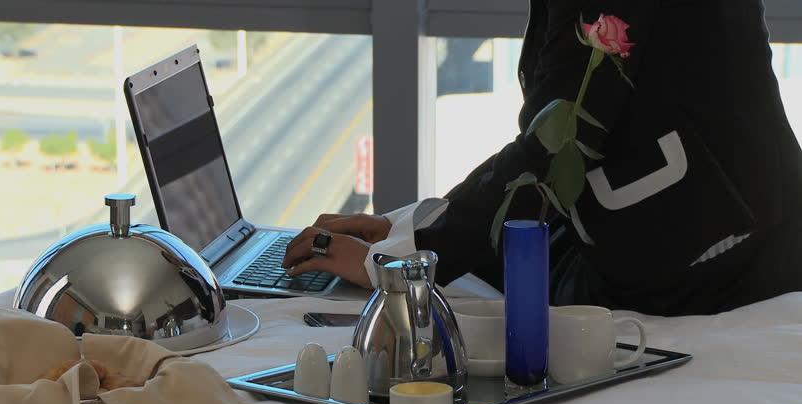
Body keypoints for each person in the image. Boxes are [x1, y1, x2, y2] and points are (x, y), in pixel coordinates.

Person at [283, 0, 802, 316]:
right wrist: (403, 232)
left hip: (713, 265)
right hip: (671, 231)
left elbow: (561, 140)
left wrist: (404, 262)